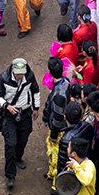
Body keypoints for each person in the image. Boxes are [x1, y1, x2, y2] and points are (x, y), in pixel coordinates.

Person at [0, 57, 40, 189]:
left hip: (25, 112)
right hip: (9, 115)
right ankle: (10, 175)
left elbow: (35, 90)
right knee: (10, 144)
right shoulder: (3, 78)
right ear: (12, 69)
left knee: (23, 139)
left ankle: (18, 157)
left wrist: (36, 108)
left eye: (22, 73)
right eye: (18, 73)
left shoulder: (29, 76)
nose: (20, 76)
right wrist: (7, 106)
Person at [42, 56, 70, 184]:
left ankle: (56, 182)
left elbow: (58, 116)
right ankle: (52, 173)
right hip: (62, 125)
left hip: (58, 129)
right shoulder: (66, 83)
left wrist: (53, 133)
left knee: (56, 154)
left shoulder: (58, 93)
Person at [56, 101, 94, 182]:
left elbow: (63, 162)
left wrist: (60, 178)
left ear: (65, 117)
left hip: (73, 173)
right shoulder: (87, 126)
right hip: (85, 164)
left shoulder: (66, 140)